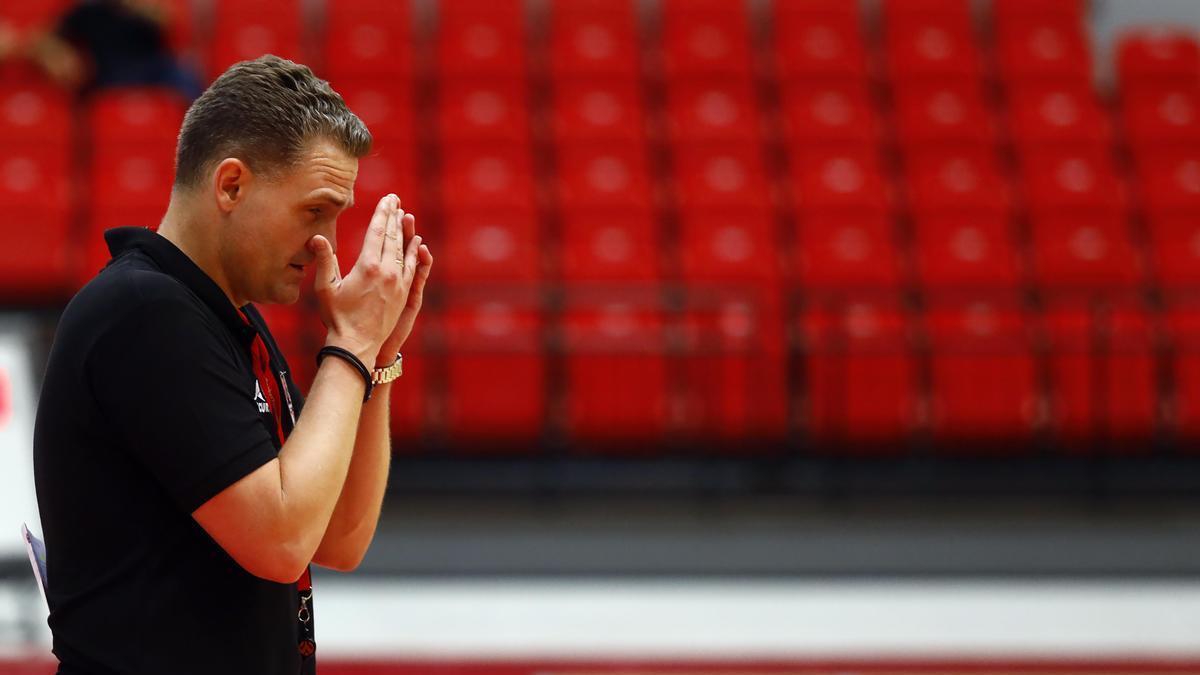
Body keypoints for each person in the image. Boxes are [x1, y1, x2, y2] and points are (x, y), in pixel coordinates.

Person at [32, 55, 433, 674]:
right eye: (314, 211)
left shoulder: (227, 320)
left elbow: (338, 537)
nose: (326, 242)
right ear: (231, 185)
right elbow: (280, 540)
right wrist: (349, 345)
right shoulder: (143, 312)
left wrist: (375, 360)